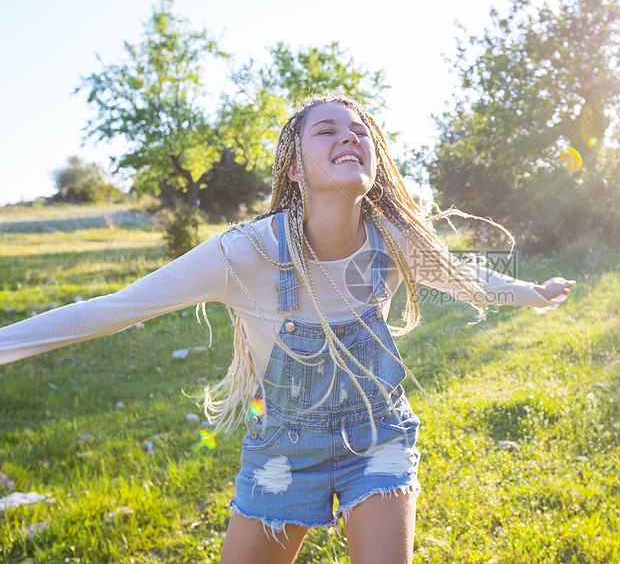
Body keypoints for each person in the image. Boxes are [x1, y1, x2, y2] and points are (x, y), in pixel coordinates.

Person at [0, 94, 574, 563]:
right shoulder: (245, 253)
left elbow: (463, 276)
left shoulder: (391, 239)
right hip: (280, 450)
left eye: (360, 131)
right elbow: (114, 309)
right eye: (327, 130)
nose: (350, 136)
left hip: (377, 438)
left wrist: (535, 295)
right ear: (296, 167)